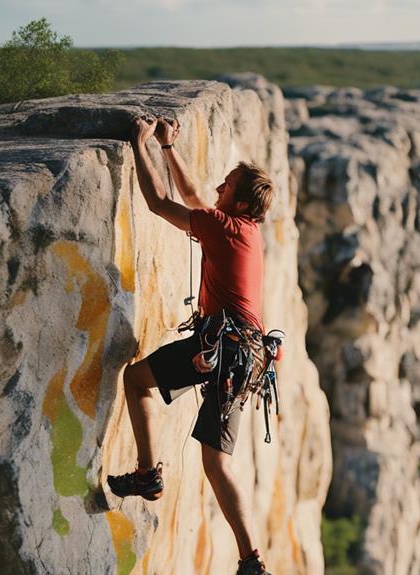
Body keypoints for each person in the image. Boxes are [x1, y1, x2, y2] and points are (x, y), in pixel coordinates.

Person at [107, 114, 274, 575]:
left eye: (227, 184)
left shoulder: (225, 228)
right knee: (214, 461)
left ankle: (149, 477)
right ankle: (249, 559)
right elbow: (198, 198)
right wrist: (167, 148)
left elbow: (161, 202)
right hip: (244, 357)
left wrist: (141, 142)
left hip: (226, 352)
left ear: (238, 201)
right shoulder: (245, 231)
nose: (219, 186)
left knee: (139, 383)